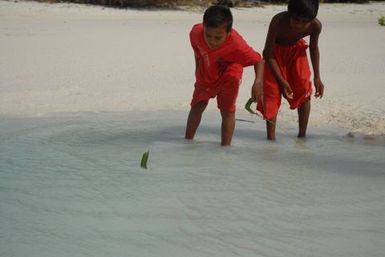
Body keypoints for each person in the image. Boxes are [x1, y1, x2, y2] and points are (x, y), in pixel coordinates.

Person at [185, 4, 264, 146]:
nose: (212, 41)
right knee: (197, 105)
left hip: (230, 73)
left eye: (218, 37)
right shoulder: (195, 33)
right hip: (207, 70)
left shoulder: (237, 45)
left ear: (228, 33)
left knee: (227, 110)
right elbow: (198, 51)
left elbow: (258, 60)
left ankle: (225, 150)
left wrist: (257, 82)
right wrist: (198, 70)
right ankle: (187, 144)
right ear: (203, 27)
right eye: (208, 35)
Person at [256, 0, 325, 140]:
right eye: (295, 19)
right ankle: (271, 140)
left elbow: (313, 48)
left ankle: (302, 136)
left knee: (303, 88)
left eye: (303, 21)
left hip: (295, 52)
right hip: (273, 56)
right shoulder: (278, 21)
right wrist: (281, 81)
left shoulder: (315, 25)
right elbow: (267, 53)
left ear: (311, 20)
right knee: (271, 93)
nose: (298, 24)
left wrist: (317, 77)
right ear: (289, 13)